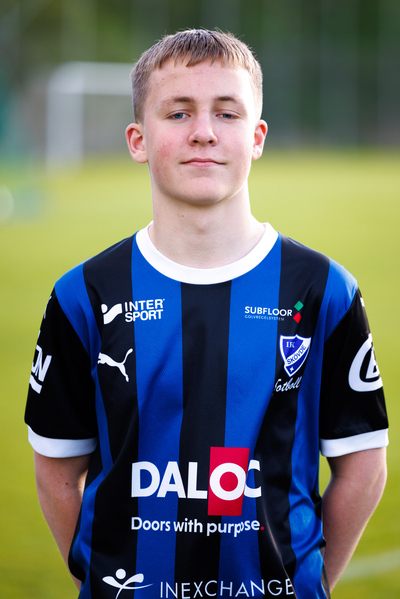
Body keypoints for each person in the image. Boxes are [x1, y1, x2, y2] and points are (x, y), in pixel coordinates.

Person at [25, 29, 388, 599]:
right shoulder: (83, 294)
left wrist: (310, 583)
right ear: (138, 140)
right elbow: (55, 470)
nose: (204, 132)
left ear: (257, 136)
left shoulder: (323, 290)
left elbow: (362, 463)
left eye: (227, 113)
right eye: (178, 113)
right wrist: (106, 580)